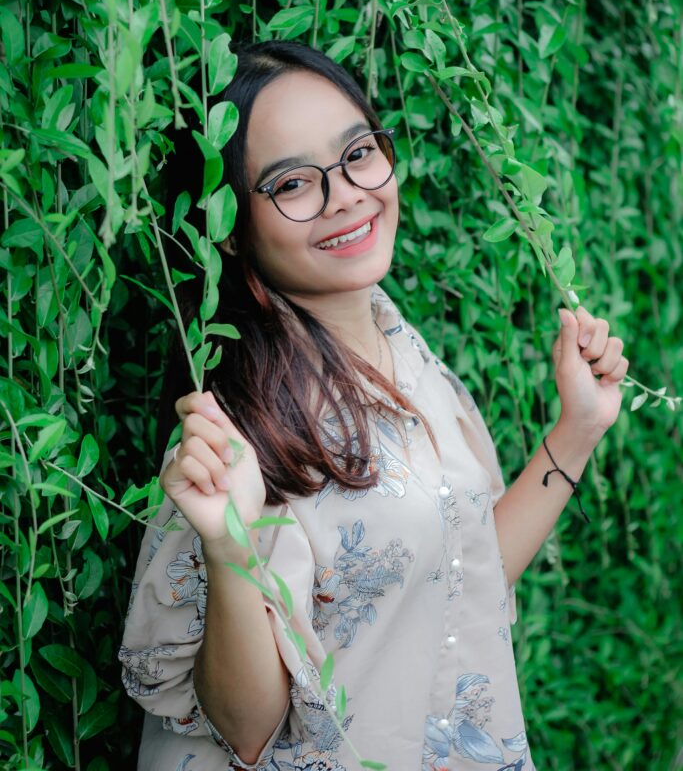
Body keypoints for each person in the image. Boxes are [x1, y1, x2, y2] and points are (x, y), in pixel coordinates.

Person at [119, 41, 629, 771]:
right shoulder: (235, 432)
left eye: (357, 153)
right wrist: (228, 551)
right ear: (229, 227)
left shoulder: (408, 359)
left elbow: (458, 574)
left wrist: (575, 431)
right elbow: (246, 730)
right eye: (292, 183)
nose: (347, 195)